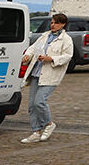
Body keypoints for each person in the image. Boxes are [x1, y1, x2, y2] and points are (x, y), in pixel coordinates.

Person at [19, 13, 74, 144]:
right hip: (37, 73)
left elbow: (68, 56)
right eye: (52, 22)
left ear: (63, 24)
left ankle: (48, 124)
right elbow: (33, 48)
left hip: (51, 75)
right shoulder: (45, 35)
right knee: (32, 105)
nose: (52, 25)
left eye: (56, 23)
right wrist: (27, 55)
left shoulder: (66, 39)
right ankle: (36, 132)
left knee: (39, 102)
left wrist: (51, 59)